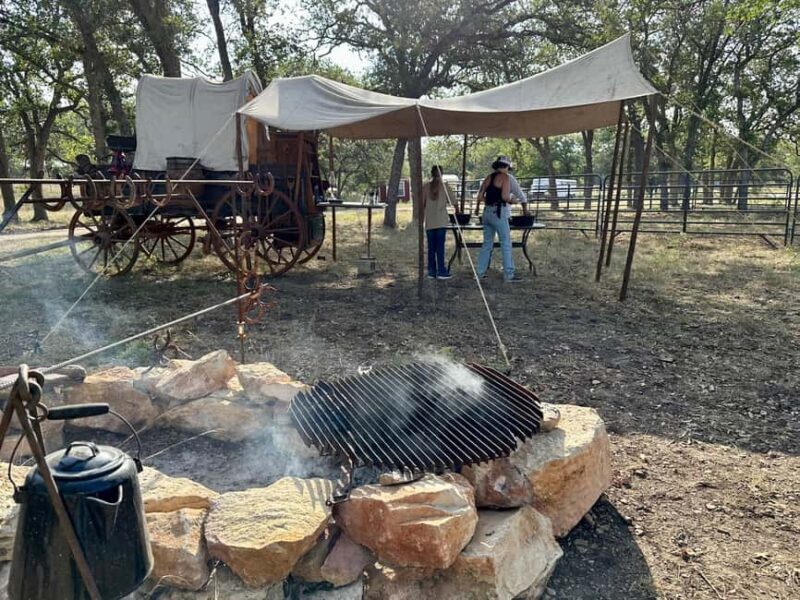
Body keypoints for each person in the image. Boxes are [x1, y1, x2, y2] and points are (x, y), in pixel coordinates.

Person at [476, 156, 523, 282]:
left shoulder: (488, 178)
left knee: (487, 244)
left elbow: (480, 196)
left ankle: (480, 273)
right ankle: (509, 274)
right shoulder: (505, 177)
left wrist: (490, 201)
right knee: (506, 243)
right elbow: (505, 196)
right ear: (506, 167)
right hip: (499, 212)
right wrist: (513, 201)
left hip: (487, 212)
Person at [423, 165, 455, 279]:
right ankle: (441, 271)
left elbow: (421, 204)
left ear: (432, 173)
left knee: (431, 248)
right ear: (442, 173)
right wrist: (458, 211)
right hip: (441, 221)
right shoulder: (445, 186)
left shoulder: (426, 186)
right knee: (440, 247)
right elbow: (453, 201)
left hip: (430, 222)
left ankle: (431, 271)